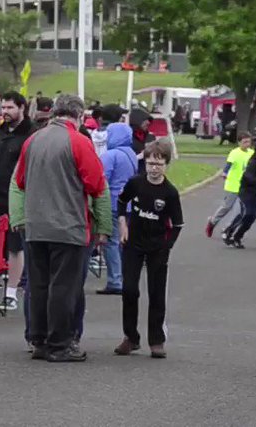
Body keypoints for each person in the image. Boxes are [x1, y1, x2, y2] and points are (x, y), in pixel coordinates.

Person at [9, 94, 111, 362]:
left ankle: (39, 340)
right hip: (69, 226)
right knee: (64, 288)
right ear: (78, 116)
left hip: (35, 225)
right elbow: (96, 184)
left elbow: (20, 181)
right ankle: (60, 343)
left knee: (39, 286)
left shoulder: (32, 140)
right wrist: (103, 224)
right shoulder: (78, 141)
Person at [114, 141, 183, 359]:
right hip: (133, 244)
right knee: (129, 290)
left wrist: (167, 246)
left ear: (166, 165)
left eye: (158, 164)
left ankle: (156, 340)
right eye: (150, 163)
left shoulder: (170, 192)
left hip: (157, 247)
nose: (154, 168)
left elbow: (178, 224)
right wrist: (122, 225)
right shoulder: (135, 183)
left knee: (156, 293)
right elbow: (121, 202)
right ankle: (130, 337)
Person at [0, 92, 32, 312]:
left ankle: (11, 292)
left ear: (22, 108)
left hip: (16, 199)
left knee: (14, 246)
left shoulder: (31, 135)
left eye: (10, 108)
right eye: (3, 108)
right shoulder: (0, 131)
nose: (5, 112)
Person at [97, 121, 139, 294]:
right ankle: (124, 276)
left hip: (112, 202)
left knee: (111, 243)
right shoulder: (131, 153)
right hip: (128, 203)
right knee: (123, 241)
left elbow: (101, 179)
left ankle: (115, 280)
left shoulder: (110, 155)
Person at [224, 138, 256, 248]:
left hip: (255, 194)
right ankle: (229, 231)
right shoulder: (253, 162)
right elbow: (250, 178)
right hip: (246, 193)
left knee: (252, 217)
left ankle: (238, 237)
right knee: (246, 214)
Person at [205, 132, 253, 238]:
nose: (247, 144)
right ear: (239, 142)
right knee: (227, 207)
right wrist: (225, 172)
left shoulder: (251, 153)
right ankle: (212, 222)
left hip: (245, 186)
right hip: (233, 184)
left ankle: (228, 228)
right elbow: (229, 164)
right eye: (244, 142)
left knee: (240, 210)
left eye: (248, 142)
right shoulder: (234, 153)